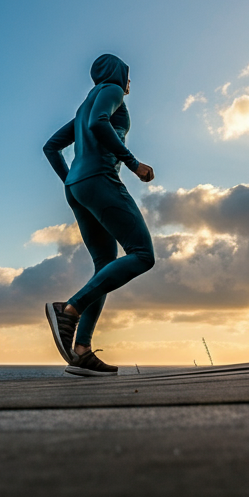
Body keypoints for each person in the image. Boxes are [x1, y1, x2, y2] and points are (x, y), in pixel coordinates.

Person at [42, 53, 156, 376]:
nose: (129, 82)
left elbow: (51, 146)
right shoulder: (112, 91)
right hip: (101, 179)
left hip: (77, 187)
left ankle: (82, 350)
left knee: (105, 265)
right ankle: (69, 309)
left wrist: (71, 180)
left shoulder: (82, 107)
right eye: (128, 75)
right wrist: (134, 165)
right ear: (118, 74)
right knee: (143, 254)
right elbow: (99, 123)